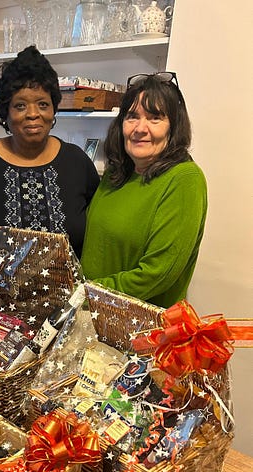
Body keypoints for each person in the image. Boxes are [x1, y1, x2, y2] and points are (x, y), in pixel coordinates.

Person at [0, 46, 100, 259]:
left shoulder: (77, 162)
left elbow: (99, 229)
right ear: (5, 112)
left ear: (53, 109)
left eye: (43, 104)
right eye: (20, 106)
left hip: (72, 282)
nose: (33, 114)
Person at [81, 72, 207, 308]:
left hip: (137, 325)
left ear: (174, 126)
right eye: (132, 117)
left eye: (155, 118)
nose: (140, 128)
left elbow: (157, 273)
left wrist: (84, 293)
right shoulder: (117, 172)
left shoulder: (184, 179)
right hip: (91, 314)